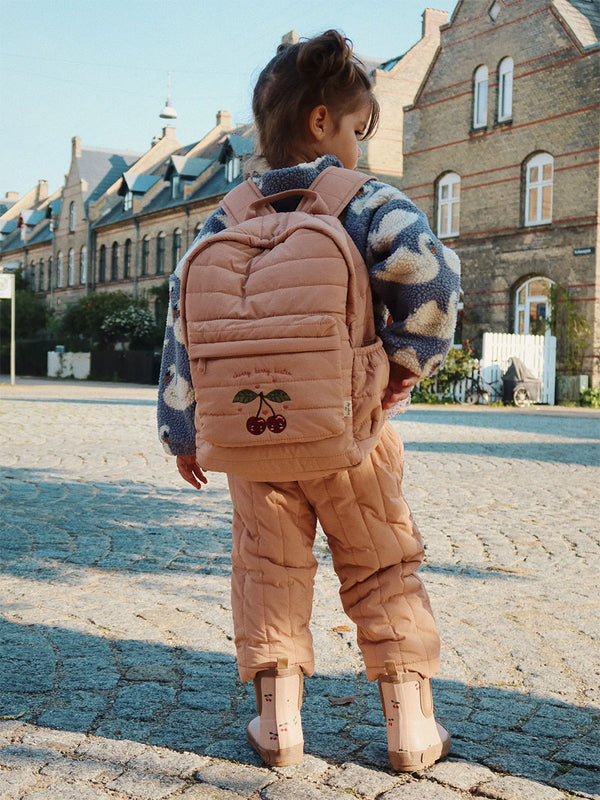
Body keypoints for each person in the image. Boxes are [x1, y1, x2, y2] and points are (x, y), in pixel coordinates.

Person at [157, 29, 460, 772]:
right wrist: (404, 363)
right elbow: (431, 281)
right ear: (323, 122)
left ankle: (279, 727)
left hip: (253, 444)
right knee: (382, 561)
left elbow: (183, 326)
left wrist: (184, 431)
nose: (360, 147)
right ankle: (411, 728)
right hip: (350, 432)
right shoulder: (365, 202)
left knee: (267, 570)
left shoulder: (223, 217)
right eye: (359, 129)